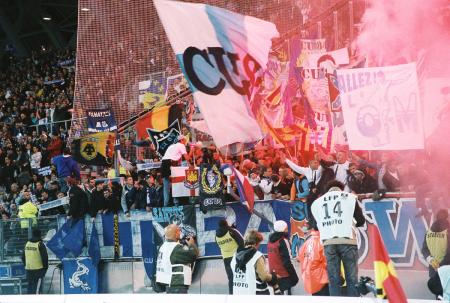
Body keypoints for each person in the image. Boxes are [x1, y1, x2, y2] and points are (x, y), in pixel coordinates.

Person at [310, 180, 366, 297]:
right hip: (347, 240)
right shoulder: (350, 198)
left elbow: (315, 226)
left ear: (327, 190)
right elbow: (360, 221)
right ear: (341, 188)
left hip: (329, 242)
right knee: (351, 278)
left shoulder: (317, 202)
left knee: (333, 278)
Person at [231, 230, 280, 295]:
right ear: (255, 243)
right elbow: (264, 276)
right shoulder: (257, 256)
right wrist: (274, 277)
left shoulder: (235, 255)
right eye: (259, 243)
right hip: (254, 293)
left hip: (238, 292)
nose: (258, 246)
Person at [155, 224, 198, 294]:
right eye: (179, 231)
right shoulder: (176, 248)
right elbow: (193, 255)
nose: (180, 232)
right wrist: (192, 244)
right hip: (176, 284)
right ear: (176, 233)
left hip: (168, 283)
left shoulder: (163, 246)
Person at [267, 220, 299, 295]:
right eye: (286, 228)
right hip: (284, 275)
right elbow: (287, 261)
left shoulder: (270, 241)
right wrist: (294, 276)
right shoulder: (283, 241)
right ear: (284, 229)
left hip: (273, 275)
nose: (287, 230)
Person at [160, 136, 191, 206]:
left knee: (166, 186)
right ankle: (176, 203)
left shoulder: (172, 146)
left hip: (164, 163)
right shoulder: (181, 145)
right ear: (182, 140)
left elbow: (178, 159)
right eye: (185, 140)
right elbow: (187, 158)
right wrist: (192, 150)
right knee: (175, 184)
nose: (186, 142)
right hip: (170, 163)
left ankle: (166, 205)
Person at [215, 219, 244, 294]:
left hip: (226, 259)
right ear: (226, 223)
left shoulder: (216, 236)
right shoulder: (232, 231)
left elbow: (219, 245)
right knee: (240, 278)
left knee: (231, 278)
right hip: (236, 257)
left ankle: (231, 295)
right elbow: (242, 242)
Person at [298, 228, 329, 296]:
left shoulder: (307, 242)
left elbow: (301, 257)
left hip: (310, 277)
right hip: (322, 278)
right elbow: (327, 261)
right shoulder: (322, 241)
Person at [422, 209, 450, 277]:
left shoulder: (428, 232)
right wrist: (441, 265)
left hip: (433, 271)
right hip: (446, 272)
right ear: (447, 217)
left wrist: (431, 260)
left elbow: (424, 250)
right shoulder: (448, 232)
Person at [21, 229, 48, 294]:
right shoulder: (40, 244)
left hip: (29, 269)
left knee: (30, 287)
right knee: (37, 288)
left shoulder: (27, 243)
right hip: (38, 269)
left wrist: (26, 265)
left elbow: (23, 257)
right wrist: (45, 268)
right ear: (40, 235)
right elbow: (45, 258)